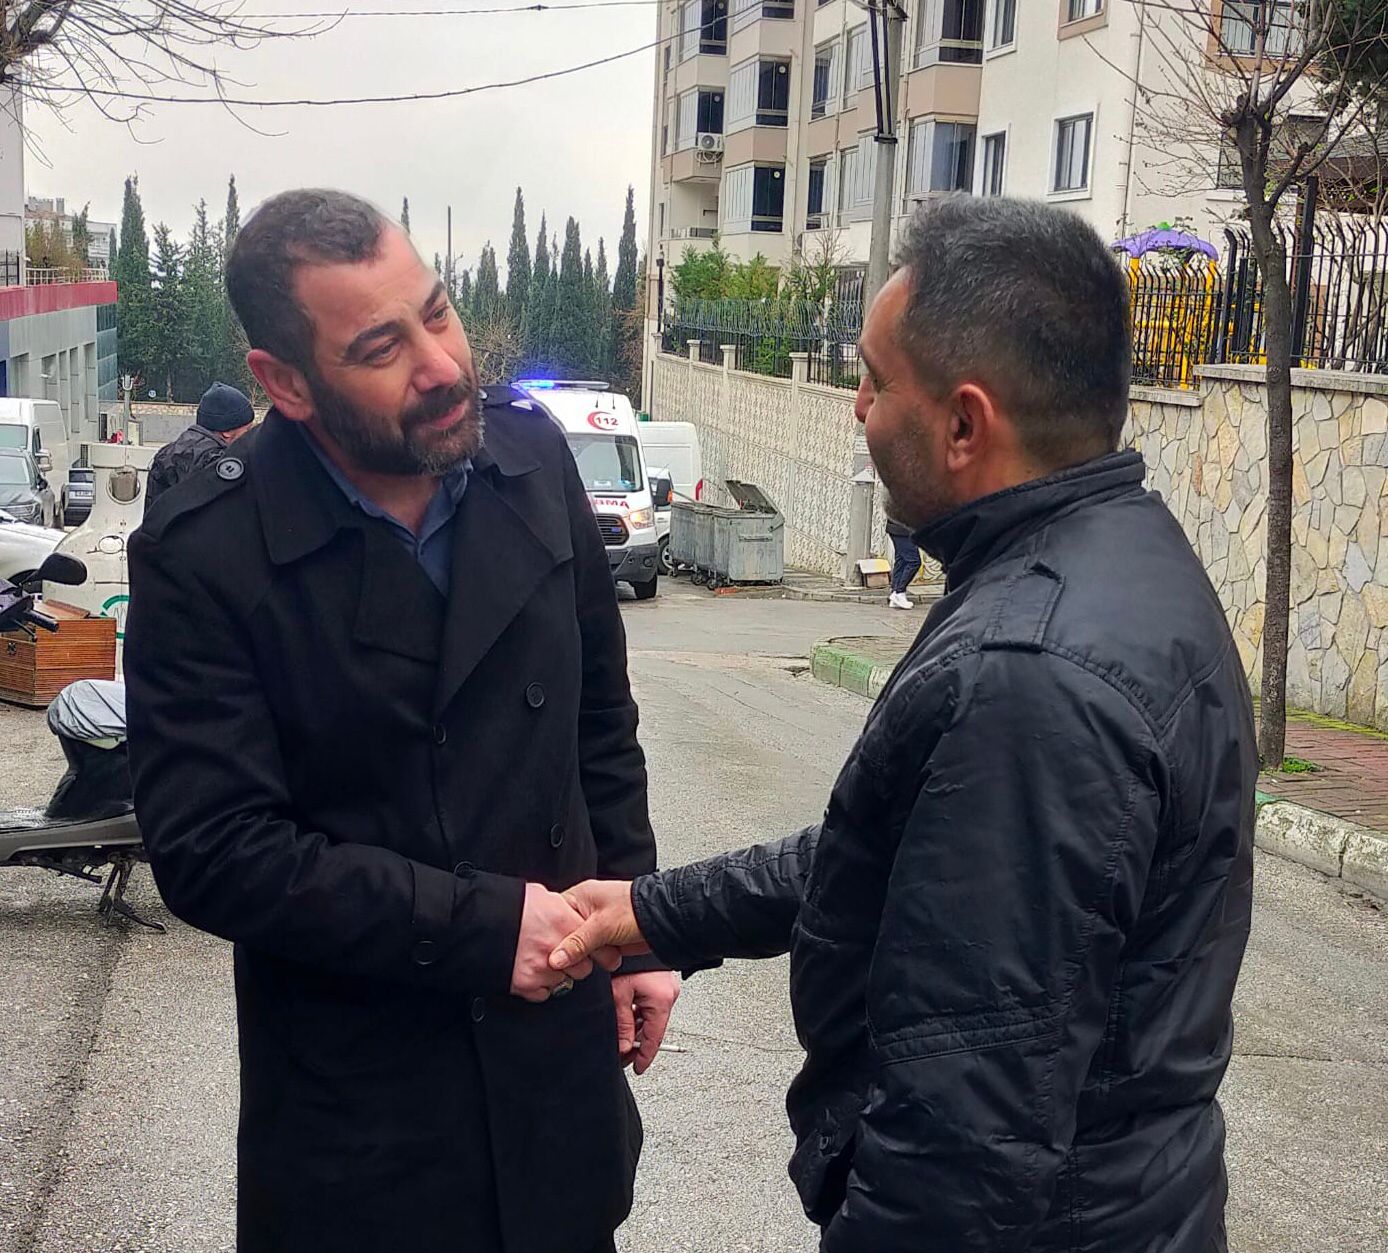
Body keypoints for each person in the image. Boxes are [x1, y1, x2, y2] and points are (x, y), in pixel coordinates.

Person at [551, 198, 1257, 1253]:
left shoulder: (1027, 675)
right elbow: (897, 857)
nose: (856, 410)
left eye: (875, 381)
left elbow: (960, 1148)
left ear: (964, 424)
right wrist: (655, 912)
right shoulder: (1120, 555)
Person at [124, 189, 679, 1253]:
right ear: (285, 382)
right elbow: (214, 851)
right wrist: (480, 928)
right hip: (362, 1121)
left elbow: (599, 724)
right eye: (381, 347)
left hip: (553, 1081)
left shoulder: (531, 462)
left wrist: (637, 926)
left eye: (438, 312)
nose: (440, 365)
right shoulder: (208, 551)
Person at [144, 382, 256, 507]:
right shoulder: (221, 464)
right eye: (247, 429)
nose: (250, 435)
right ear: (227, 432)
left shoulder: (165, 455)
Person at [885, 517, 920, 609]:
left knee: (901, 561)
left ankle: (895, 594)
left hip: (898, 528)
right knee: (914, 562)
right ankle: (899, 592)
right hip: (902, 529)